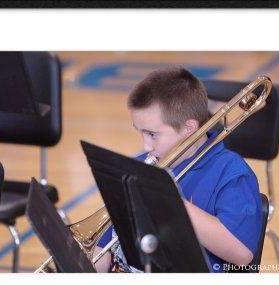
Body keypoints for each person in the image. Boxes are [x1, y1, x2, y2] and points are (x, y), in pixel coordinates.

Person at [93, 66, 263, 273]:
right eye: (141, 133)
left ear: (188, 128)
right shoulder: (138, 166)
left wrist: (168, 200)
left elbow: (242, 255)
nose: (146, 146)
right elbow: (105, 249)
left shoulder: (231, 173)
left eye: (153, 134)